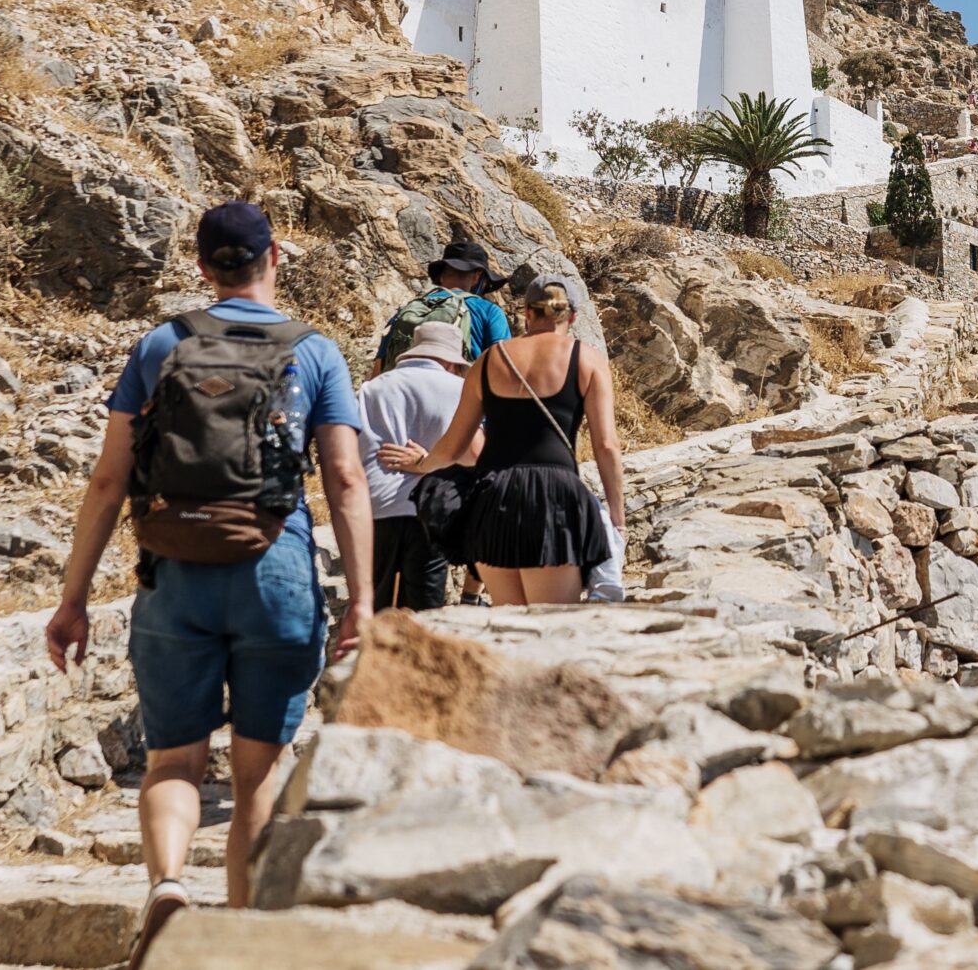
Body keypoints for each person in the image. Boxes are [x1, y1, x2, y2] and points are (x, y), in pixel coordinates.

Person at [44, 202, 372, 958]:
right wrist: (363, 600)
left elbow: (107, 479)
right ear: (274, 260)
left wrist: (74, 597)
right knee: (258, 773)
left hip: (174, 572)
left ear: (201, 267)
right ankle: (237, 940)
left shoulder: (162, 344)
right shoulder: (314, 351)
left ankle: (165, 883)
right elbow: (348, 479)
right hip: (276, 571)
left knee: (174, 759)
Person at [379, 277, 624, 606]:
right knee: (555, 627)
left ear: (526, 313)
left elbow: (453, 446)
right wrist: (617, 519)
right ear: (572, 317)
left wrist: (421, 463)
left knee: (510, 622)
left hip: (493, 500)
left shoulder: (488, 361)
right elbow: (606, 445)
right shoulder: (587, 359)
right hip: (554, 497)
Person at [357, 319, 471, 611]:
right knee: (424, 610)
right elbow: (472, 453)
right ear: (449, 361)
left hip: (377, 507)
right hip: (431, 507)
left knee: (377, 605)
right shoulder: (461, 389)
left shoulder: (371, 389)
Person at [372, 240, 515, 373]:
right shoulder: (489, 311)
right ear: (477, 276)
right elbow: (502, 367)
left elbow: (379, 368)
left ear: (441, 274)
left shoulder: (408, 310)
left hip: (402, 394)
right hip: (459, 396)